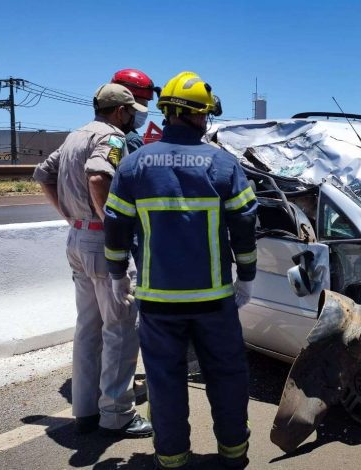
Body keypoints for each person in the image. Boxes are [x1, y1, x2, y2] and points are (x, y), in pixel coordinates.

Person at [103, 71, 257, 469]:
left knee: (165, 383)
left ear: (168, 112)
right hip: (214, 299)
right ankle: (233, 453)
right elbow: (244, 221)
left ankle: (172, 459)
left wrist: (117, 272)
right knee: (226, 377)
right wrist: (248, 277)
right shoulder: (223, 164)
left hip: (158, 301)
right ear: (198, 115)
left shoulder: (135, 164)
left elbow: (115, 223)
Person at [33, 83, 153, 438]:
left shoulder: (75, 136)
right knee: (120, 327)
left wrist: (71, 216)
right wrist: (109, 224)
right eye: (132, 111)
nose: (134, 118)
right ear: (120, 111)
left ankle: (85, 410)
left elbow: (42, 173)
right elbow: (99, 175)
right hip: (101, 242)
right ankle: (117, 414)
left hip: (76, 239)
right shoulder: (112, 137)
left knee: (88, 327)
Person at [111, 69, 158, 153]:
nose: (144, 113)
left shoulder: (88, 132)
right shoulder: (131, 141)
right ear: (122, 107)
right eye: (139, 107)